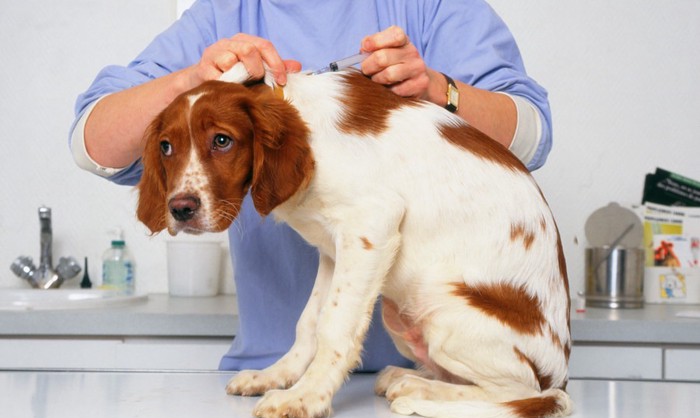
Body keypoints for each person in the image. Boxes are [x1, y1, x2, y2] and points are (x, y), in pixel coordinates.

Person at [70, 0, 552, 372]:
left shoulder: (431, 7)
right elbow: (91, 140)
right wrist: (194, 83)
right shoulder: (225, 12)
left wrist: (437, 90)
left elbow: (531, 136)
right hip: (273, 367)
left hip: (427, 369)